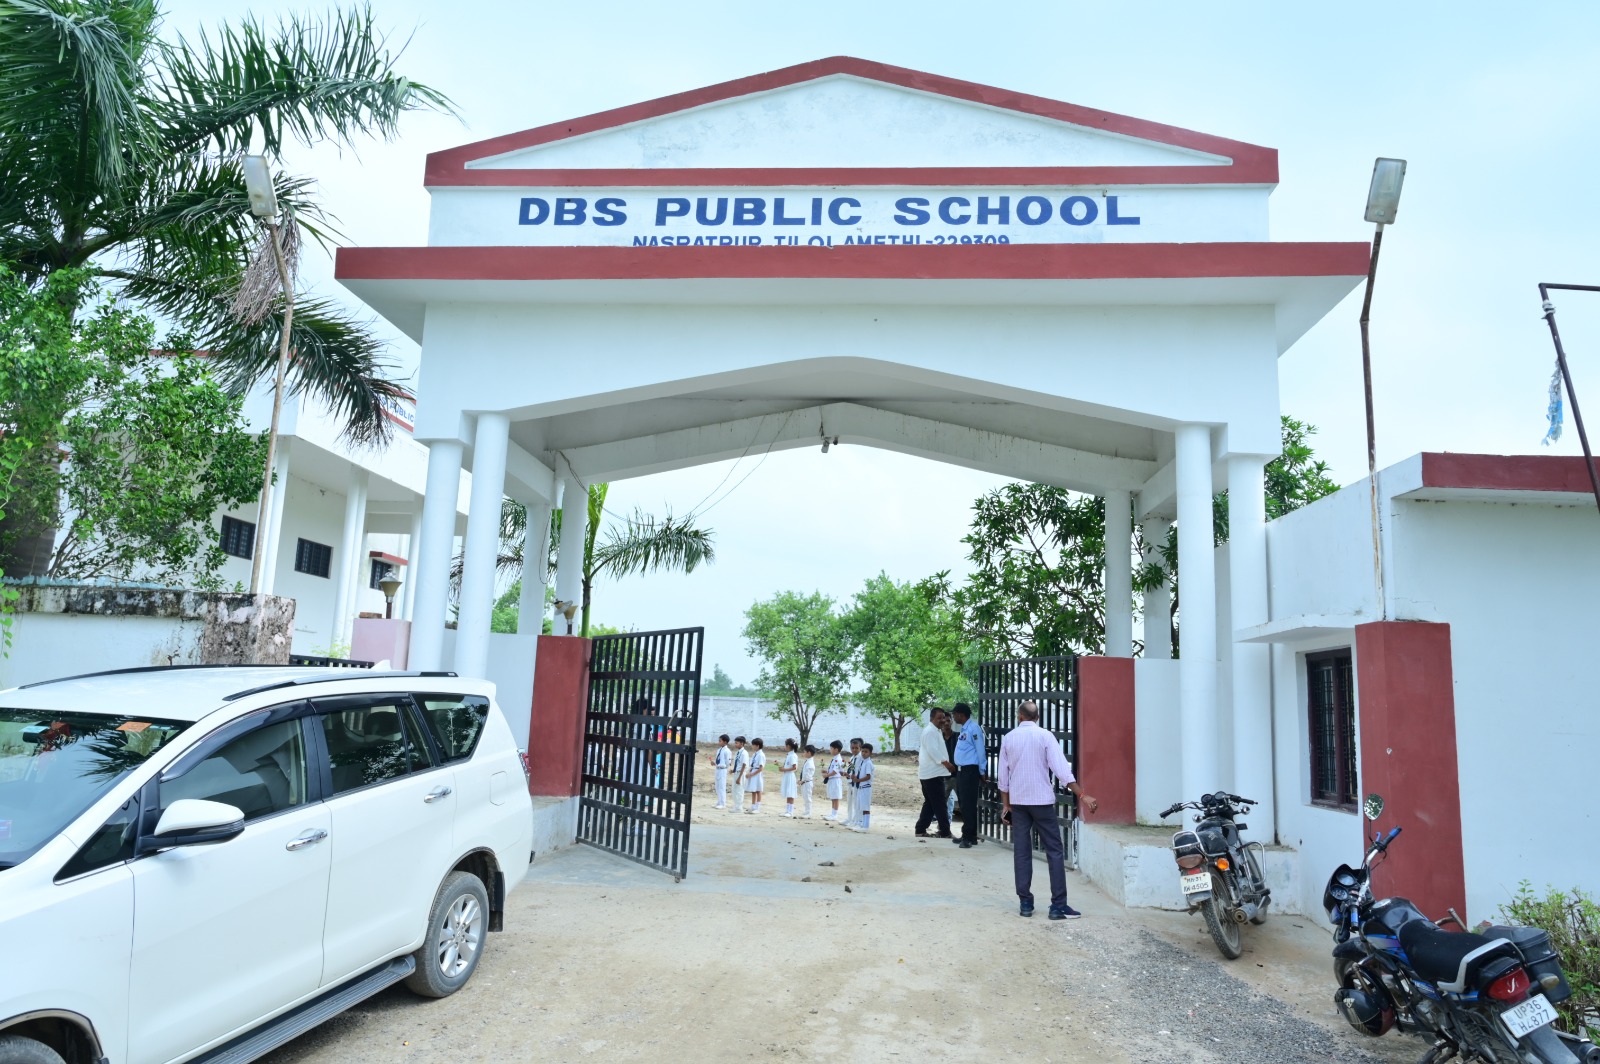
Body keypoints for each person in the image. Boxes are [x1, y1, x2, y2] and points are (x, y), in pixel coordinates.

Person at [998, 701, 1097, 919]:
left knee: (1022, 852)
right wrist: (1082, 795)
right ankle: (1058, 906)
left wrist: (1006, 805)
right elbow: (1062, 770)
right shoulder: (1045, 736)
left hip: (1019, 803)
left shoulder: (1009, 738)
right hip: (1041, 802)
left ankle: (1025, 903)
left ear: (1020, 716)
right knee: (1054, 851)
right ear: (1037, 717)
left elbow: (1003, 778)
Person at [914, 707, 954, 838]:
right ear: (932, 718)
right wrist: (947, 764)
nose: (942, 720)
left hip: (931, 773)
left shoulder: (935, 731)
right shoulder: (930, 731)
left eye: (943, 717)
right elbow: (933, 751)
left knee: (931, 803)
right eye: (939, 718)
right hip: (932, 773)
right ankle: (945, 832)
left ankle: (920, 829)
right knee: (940, 804)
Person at [951, 704, 985, 849]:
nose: (953, 717)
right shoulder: (964, 729)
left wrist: (982, 771)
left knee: (969, 804)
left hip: (970, 771)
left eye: (955, 714)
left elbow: (980, 750)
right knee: (965, 804)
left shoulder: (973, 729)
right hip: (961, 771)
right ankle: (969, 834)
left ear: (961, 714)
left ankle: (969, 837)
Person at [850, 742, 875, 833]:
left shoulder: (868, 763)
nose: (864, 753)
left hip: (866, 787)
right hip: (861, 787)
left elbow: (868, 776)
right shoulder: (863, 762)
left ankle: (865, 826)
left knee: (865, 807)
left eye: (866, 752)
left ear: (870, 753)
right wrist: (855, 777)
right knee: (862, 806)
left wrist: (858, 780)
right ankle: (862, 824)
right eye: (863, 751)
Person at [823, 741, 846, 820]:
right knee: (833, 797)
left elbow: (835, 771)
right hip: (832, 779)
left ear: (836, 749)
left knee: (836, 797)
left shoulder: (838, 759)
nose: (830, 750)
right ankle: (832, 813)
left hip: (835, 779)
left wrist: (827, 775)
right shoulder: (835, 758)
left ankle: (835, 814)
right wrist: (827, 772)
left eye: (831, 748)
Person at [843, 738, 863, 827]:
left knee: (856, 802)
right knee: (849, 801)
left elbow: (858, 771)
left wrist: (850, 775)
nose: (854, 750)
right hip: (850, 782)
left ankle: (856, 820)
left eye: (856, 748)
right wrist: (846, 774)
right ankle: (849, 818)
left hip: (856, 783)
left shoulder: (860, 758)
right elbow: (851, 769)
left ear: (860, 748)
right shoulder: (852, 757)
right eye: (852, 748)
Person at [744, 738, 766, 814]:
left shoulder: (761, 755)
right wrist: (749, 772)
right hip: (753, 772)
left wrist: (752, 774)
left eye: (753, 745)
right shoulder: (755, 754)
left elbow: (761, 768)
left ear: (757, 746)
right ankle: (753, 807)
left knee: (758, 790)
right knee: (753, 790)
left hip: (757, 774)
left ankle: (758, 807)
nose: (752, 746)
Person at [779, 738, 800, 817]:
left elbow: (795, 767)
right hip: (787, 775)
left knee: (790, 793)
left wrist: (784, 769)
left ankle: (790, 811)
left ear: (788, 746)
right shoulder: (789, 755)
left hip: (790, 775)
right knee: (788, 792)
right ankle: (787, 810)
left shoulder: (792, 756)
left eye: (786, 745)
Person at [711, 734, 732, 809]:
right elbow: (719, 760)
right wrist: (714, 763)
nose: (719, 742)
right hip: (718, 769)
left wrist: (719, 765)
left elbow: (727, 763)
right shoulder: (719, 750)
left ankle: (723, 803)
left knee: (722, 786)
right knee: (717, 786)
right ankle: (719, 801)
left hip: (723, 770)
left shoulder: (727, 751)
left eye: (720, 741)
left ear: (725, 742)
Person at [731, 737, 750, 813]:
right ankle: (736, 806)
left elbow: (744, 765)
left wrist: (739, 777)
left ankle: (739, 807)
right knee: (735, 790)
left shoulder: (744, 753)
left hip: (740, 773)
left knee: (739, 790)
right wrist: (733, 770)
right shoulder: (738, 752)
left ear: (742, 743)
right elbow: (738, 764)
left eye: (737, 743)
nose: (735, 744)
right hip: (737, 772)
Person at [800, 745, 817, 817]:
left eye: (804, 752)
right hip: (804, 782)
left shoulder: (810, 763)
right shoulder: (807, 761)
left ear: (809, 753)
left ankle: (808, 813)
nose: (803, 753)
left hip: (807, 782)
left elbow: (807, 775)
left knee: (808, 797)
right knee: (805, 796)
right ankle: (806, 811)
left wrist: (802, 780)